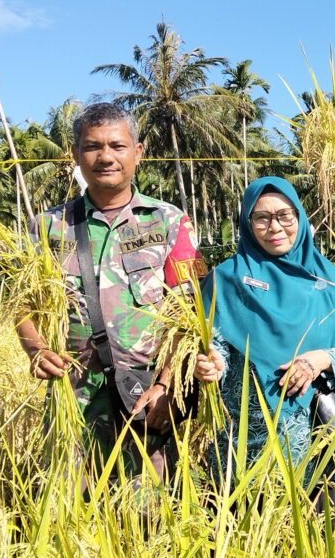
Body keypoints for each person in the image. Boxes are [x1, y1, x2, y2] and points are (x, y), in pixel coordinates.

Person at [17, 102, 205, 480]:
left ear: (138, 152)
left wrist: (168, 384)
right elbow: (21, 306)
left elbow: (190, 313)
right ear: (76, 154)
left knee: (148, 517)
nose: (105, 157)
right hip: (73, 399)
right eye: (92, 146)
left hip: (146, 399)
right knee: (69, 517)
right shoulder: (47, 227)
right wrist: (36, 351)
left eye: (117, 146)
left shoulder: (170, 223)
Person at [193, 177, 335, 481]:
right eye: (262, 218)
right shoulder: (227, 279)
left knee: (315, 520)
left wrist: (318, 359)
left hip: (321, 430)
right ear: (247, 223)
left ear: (300, 218)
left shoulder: (331, 281)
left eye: (284, 216)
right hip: (246, 433)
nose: (275, 227)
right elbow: (215, 344)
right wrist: (211, 364)